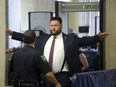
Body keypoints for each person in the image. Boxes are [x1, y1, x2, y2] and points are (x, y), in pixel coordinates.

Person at [6, 16, 109, 87]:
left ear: (61, 26)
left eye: (56, 25)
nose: (53, 28)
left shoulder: (70, 38)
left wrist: (97, 37)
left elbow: (84, 41)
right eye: (51, 25)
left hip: (62, 76)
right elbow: (28, 37)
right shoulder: (43, 38)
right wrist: (13, 34)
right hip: (45, 76)